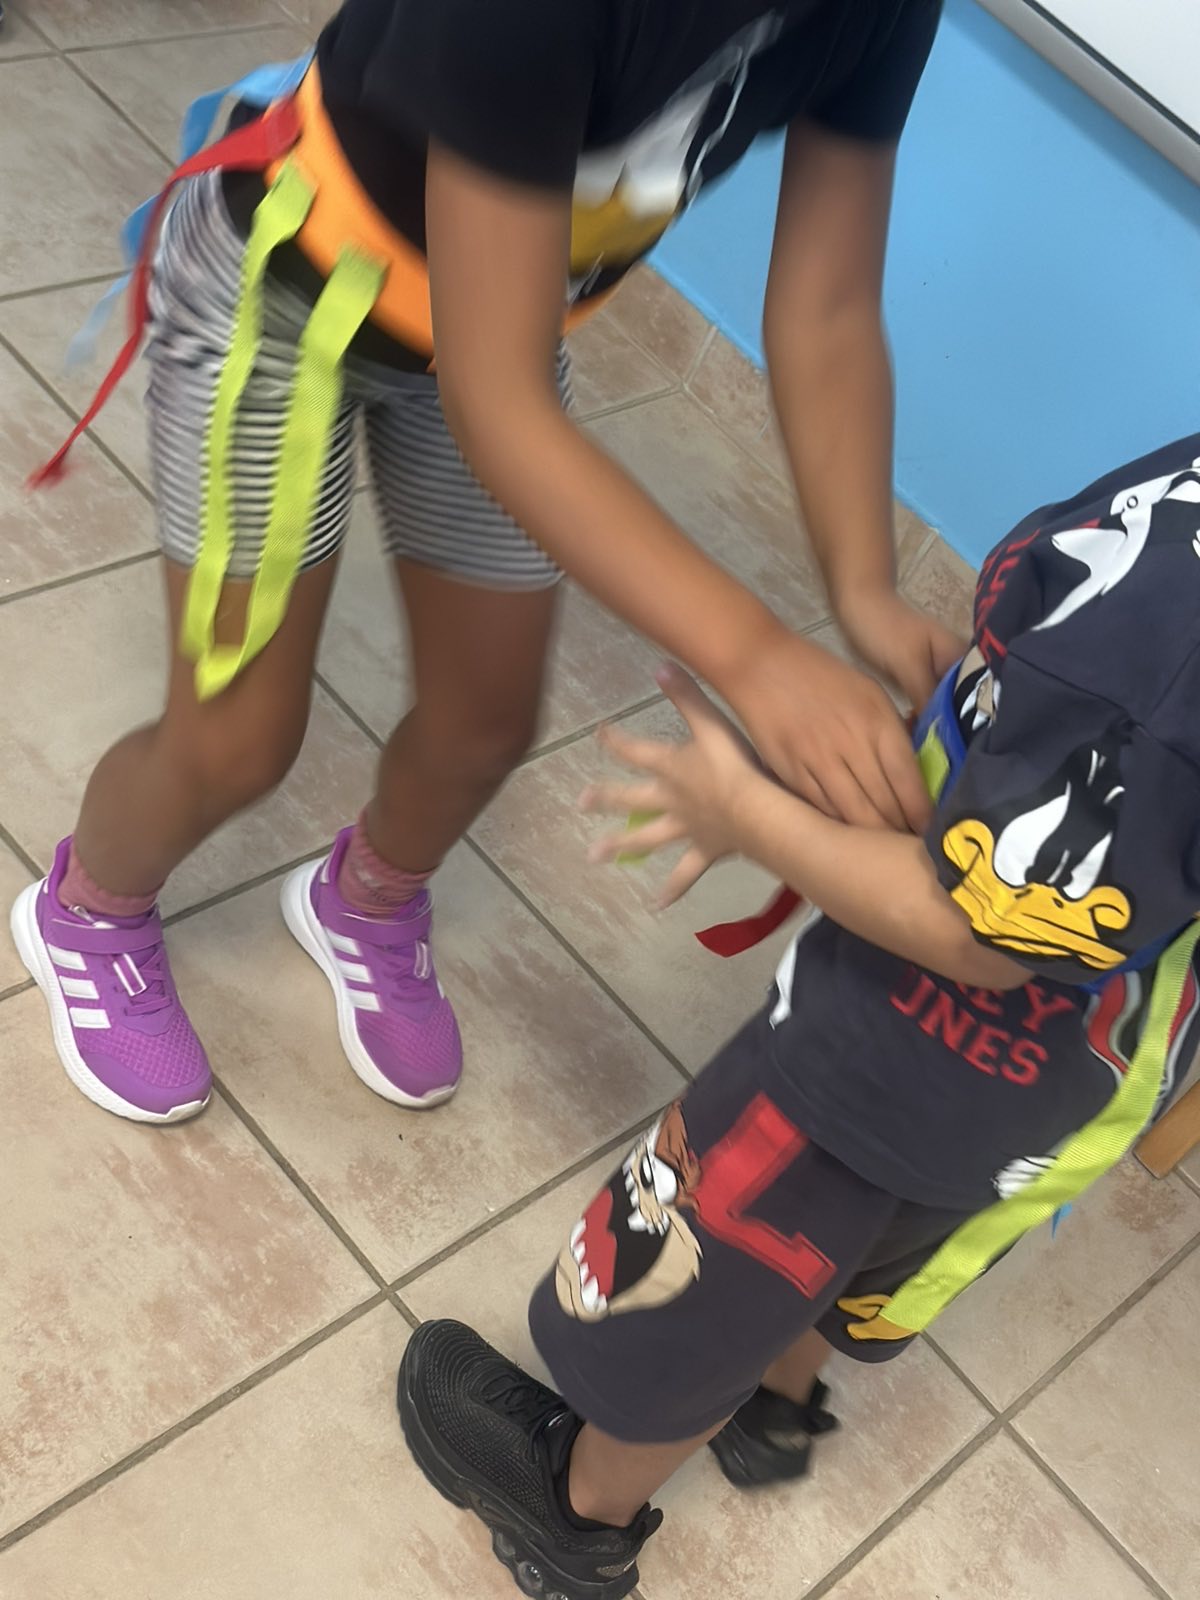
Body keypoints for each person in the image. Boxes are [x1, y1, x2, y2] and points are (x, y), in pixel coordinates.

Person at [13, 0, 959, 1123]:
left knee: (487, 721)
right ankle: (88, 908)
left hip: (482, 326)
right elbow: (499, 405)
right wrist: (756, 655)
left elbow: (829, 308)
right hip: (281, 287)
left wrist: (865, 591)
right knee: (237, 737)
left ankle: (366, 900)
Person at [397, 433, 1200, 1600]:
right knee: (875, 1239)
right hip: (1082, 1072)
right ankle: (777, 1403)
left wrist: (749, 815)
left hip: (897, 1051)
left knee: (714, 1277)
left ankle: (579, 1513)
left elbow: (977, 935)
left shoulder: (1170, 636)